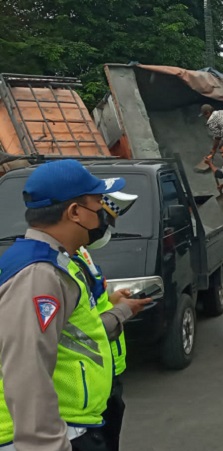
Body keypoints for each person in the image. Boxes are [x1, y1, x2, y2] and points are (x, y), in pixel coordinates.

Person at [0, 160, 150, 451]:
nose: (104, 216)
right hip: (58, 434)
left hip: (76, 423)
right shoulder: (37, 274)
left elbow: (80, 333)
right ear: (75, 213)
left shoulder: (55, 262)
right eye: (98, 205)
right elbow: (27, 370)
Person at [72, 191, 142, 451]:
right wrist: (122, 311)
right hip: (87, 381)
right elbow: (78, 329)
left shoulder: (82, 254)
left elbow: (90, 305)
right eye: (104, 221)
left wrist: (112, 300)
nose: (104, 230)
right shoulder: (61, 267)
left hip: (106, 369)